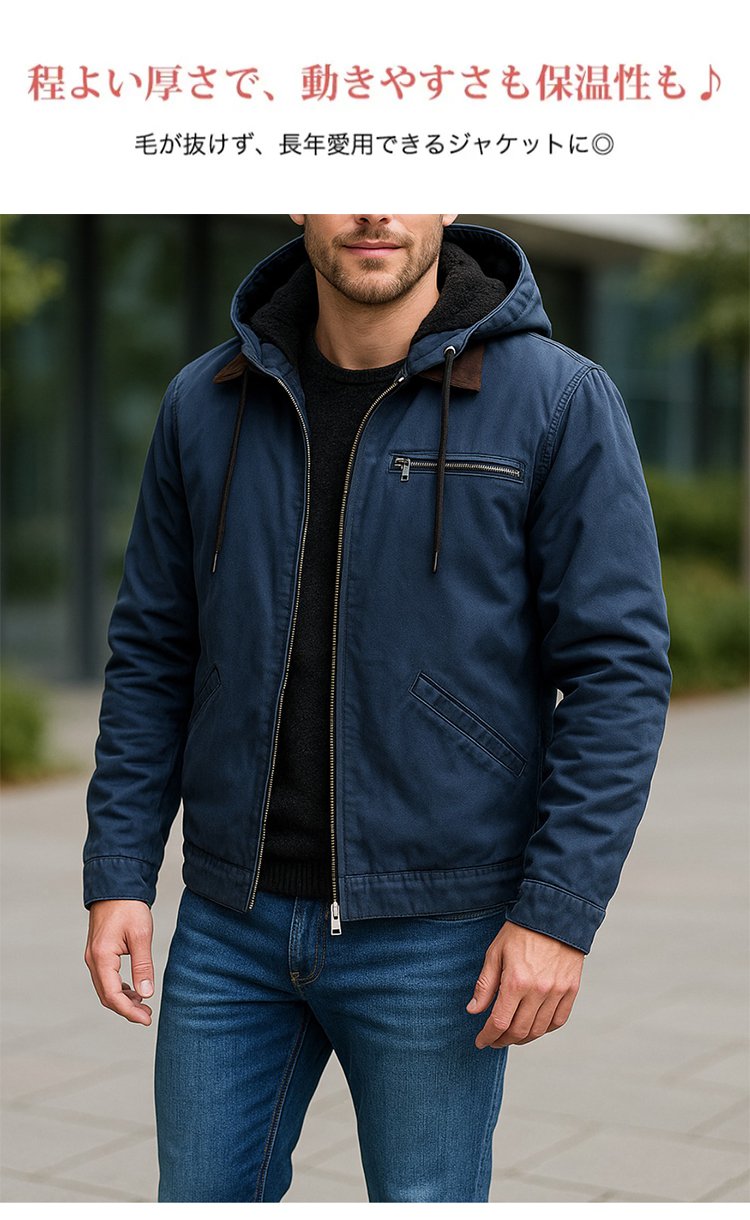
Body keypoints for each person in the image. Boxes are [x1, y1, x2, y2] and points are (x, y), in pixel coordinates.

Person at [82, 215, 672, 1203]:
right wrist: (118, 872)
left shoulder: (557, 399)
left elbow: (618, 671)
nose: (372, 210)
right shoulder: (206, 400)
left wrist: (558, 915)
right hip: (230, 922)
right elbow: (151, 653)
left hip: (438, 932)